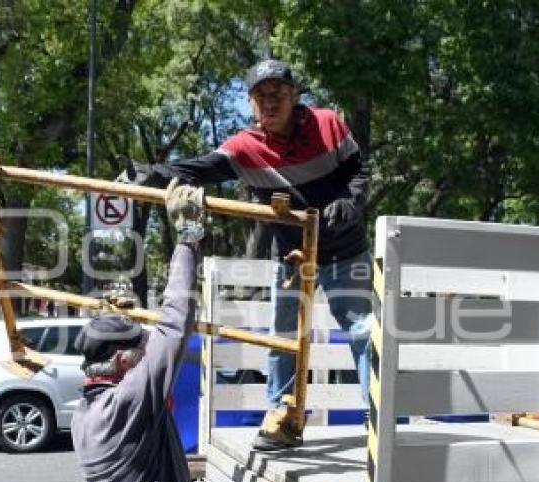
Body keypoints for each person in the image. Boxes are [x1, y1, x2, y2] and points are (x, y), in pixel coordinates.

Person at [144, 59, 372, 451]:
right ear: (251, 104)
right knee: (283, 335)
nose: (270, 102)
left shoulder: (328, 123)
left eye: (278, 94)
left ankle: (377, 419)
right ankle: (281, 417)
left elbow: (359, 171)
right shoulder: (245, 148)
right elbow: (198, 169)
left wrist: (350, 203)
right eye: (261, 96)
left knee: (364, 330)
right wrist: (148, 172)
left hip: (345, 250)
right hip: (293, 256)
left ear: (294, 95)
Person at [71, 181, 204, 482]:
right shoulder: (127, 402)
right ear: (123, 362)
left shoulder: (85, 414)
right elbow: (174, 325)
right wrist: (188, 237)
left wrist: (116, 313)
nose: (148, 355)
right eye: (140, 351)